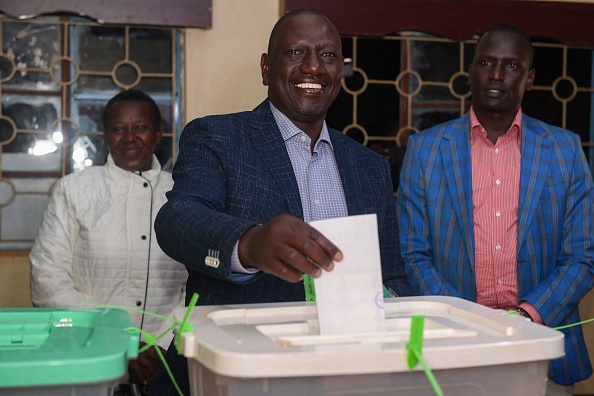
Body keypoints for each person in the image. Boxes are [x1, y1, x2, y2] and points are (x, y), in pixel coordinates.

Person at [149, 9, 412, 395]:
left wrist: (389, 306)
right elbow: (178, 220)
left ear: (340, 70)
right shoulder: (216, 137)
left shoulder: (370, 167)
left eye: (327, 56)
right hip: (232, 373)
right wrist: (250, 243)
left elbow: (392, 275)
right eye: (295, 52)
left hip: (344, 374)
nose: (313, 67)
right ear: (266, 67)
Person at [396, 25, 593, 395]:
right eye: (486, 62)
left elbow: (583, 258)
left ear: (530, 78)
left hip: (542, 346)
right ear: (470, 70)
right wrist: (468, 321)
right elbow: (411, 255)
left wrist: (524, 317)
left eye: (512, 65)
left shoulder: (565, 151)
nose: (497, 75)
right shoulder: (426, 150)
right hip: (452, 350)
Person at [29, 89, 188, 393]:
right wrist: (120, 342)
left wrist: (161, 345)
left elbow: (198, 284)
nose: (129, 138)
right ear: (105, 136)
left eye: (140, 128)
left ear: (158, 134)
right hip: (87, 355)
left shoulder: (183, 195)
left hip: (165, 360)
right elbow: (46, 279)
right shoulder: (74, 190)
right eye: (118, 129)